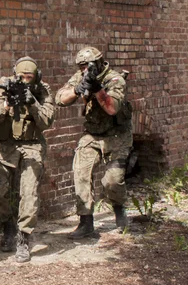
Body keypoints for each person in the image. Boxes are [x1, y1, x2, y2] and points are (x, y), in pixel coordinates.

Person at [55, 47, 133, 239]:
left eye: (87, 66)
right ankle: (86, 223)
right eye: (81, 66)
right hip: (92, 134)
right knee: (81, 172)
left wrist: (97, 89)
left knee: (112, 181)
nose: (84, 70)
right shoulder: (81, 76)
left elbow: (112, 109)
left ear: (99, 63)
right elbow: (59, 99)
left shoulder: (115, 79)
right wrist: (76, 89)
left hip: (117, 136)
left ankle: (119, 208)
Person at [0, 57, 55, 262]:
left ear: (36, 77)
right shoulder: (3, 86)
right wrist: (6, 105)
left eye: (29, 77)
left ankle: (23, 238)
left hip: (32, 144)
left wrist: (31, 102)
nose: (24, 81)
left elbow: (46, 121)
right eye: (21, 77)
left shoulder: (42, 91)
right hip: (4, 145)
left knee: (29, 193)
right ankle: (8, 226)